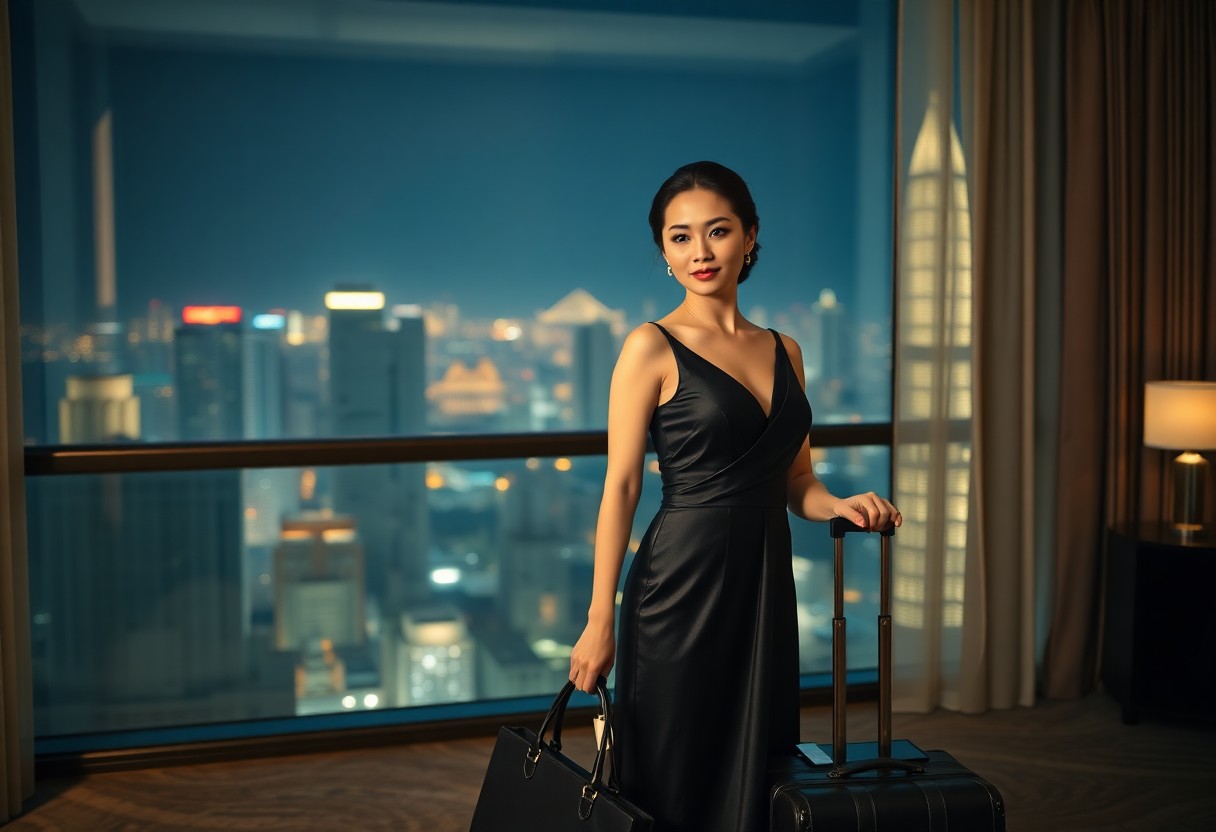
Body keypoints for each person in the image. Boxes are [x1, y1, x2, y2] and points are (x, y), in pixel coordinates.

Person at [567, 161, 902, 831]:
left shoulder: (786, 350)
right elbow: (622, 487)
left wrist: (838, 506)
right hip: (678, 583)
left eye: (717, 231)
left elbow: (797, 482)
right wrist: (600, 618)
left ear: (750, 236)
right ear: (664, 252)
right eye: (680, 237)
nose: (701, 251)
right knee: (672, 767)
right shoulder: (649, 345)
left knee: (760, 764)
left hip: (764, 583)